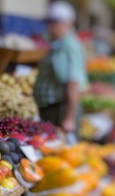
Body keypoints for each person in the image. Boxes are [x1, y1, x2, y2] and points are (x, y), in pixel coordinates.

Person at [33, 1, 87, 136]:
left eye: (54, 23)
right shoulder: (58, 44)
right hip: (53, 108)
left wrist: (69, 118)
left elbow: (73, 83)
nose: (50, 27)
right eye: (49, 22)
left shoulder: (67, 46)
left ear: (67, 23)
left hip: (60, 110)